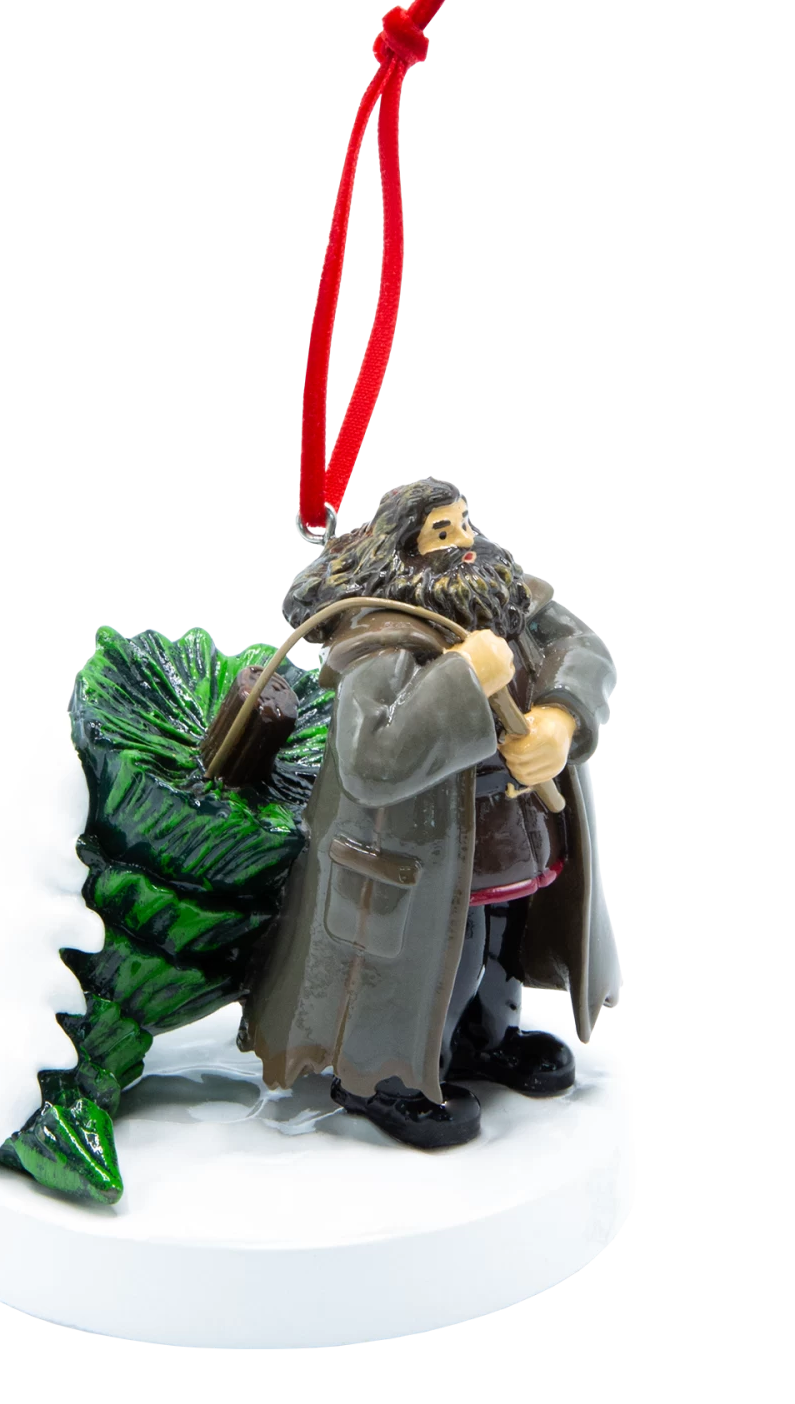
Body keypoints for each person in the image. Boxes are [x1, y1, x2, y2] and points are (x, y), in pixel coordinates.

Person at [240, 477, 620, 1148]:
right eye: (443, 532)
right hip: (424, 854)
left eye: (466, 523)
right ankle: (385, 1080)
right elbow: (374, 756)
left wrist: (560, 718)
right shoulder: (381, 640)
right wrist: (464, 678)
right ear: (404, 552)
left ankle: (486, 1039)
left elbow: (583, 649)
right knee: (441, 959)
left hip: (513, 834)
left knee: (501, 943)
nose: (465, 542)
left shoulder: (513, 602)